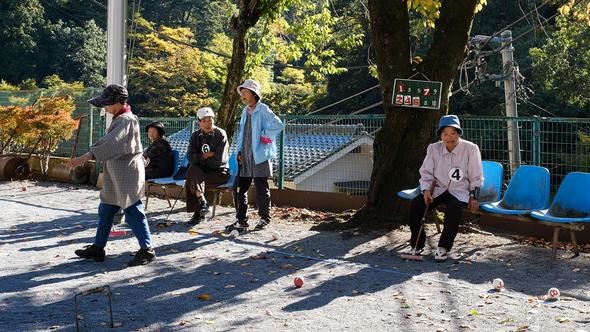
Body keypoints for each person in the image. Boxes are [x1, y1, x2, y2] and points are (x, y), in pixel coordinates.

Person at [67, 84, 156, 266]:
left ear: (116, 102)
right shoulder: (120, 118)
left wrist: (85, 157)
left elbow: (110, 143)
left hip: (127, 171)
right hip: (117, 171)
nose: (104, 107)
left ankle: (147, 250)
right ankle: (98, 248)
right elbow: (109, 143)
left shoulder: (126, 120)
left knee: (133, 209)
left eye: (106, 103)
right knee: (106, 209)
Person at [408, 115, 483, 262]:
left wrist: (474, 196)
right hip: (438, 189)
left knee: (454, 208)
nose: (449, 137)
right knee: (416, 204)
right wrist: (426, 190)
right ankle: (417, 243)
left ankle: (443, 247)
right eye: (445, 134)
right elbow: (426, 172)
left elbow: (477, 176)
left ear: (459, 133)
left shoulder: (471, 149)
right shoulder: (434, 148)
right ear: (440, 135)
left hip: (459, 191)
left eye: (453, 133)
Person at [225, 79, 284, 233]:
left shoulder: (263, 109)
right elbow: (242, 134)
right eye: (242, 92)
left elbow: (278, 125)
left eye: (245, 92)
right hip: (244, 156)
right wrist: (238, 152)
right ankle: (241, 220)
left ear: (254, 93)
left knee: (261, 189)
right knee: (240, 188)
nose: (242, 95)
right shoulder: (245, 111)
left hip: (259, 156)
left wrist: (265, 136)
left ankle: (265, 218)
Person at [185, 107, 230, 224]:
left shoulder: (220, 134)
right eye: (204, 121)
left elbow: (217, 161)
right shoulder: (195, 136)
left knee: (192, 176)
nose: (207, 123)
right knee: (192, 170)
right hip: (201, 172)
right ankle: (202, 202)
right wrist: (206, 156)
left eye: (210, 120)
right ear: (199, 122)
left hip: (219, 173)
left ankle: (198, 211)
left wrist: (199, 158)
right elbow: (190, 157)